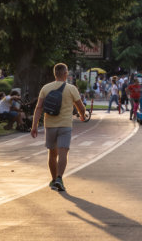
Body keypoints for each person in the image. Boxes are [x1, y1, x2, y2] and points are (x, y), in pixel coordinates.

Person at [31, 63, 87, 193]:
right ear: (65, 74)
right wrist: (82, 115)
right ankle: (60, 178)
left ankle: (54, 178)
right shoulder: (71, 88)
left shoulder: (46, 88)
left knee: (52, 154)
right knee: (63, 152)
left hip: (50, 125)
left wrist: (34, 126)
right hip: (65, 125)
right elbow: (80, 106)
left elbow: (39, 107)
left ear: (55, 74)